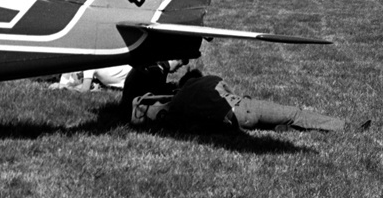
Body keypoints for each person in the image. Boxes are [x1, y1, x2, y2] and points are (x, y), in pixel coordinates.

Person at [132, 69, 367, 132]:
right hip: (241, 109)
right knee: (295, 112)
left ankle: (280, 128)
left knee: (263, 120)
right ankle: (346, 127)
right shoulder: (211, 80)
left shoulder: (178, 105)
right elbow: (226, 92)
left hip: (230, 124)